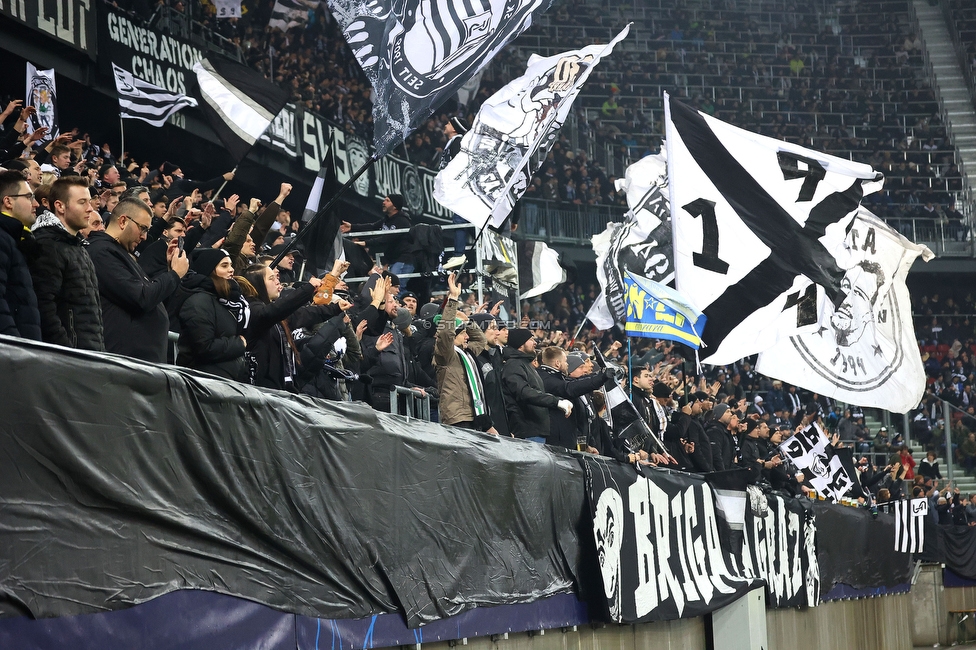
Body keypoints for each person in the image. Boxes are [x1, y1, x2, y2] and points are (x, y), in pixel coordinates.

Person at [87, 198, 189, 362]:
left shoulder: (119, 253)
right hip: (123, 362)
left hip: (136, 364)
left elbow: (153, 299)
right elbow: (142, 298)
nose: (144, 236)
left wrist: (170, 271)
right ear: (122, 221)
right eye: (142, 228)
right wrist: (175, 274)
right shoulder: (102, 252)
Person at [28, 176, 104, 350]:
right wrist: (67, 351)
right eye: (82, 202)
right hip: (69, 360)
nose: (90, 209)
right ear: (60, 206)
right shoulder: (47, 245)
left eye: (90, 202)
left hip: (88, 355)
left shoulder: (78, 246)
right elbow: (44, 307)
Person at [242, 262, 343, 391]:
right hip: (262, 390)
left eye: (277, 277)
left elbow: (305, 314)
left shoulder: (276, 314)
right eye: (271, 279)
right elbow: (273, 312)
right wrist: (308, 289)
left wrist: (336, 308)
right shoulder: (253, 311)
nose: (277, 282)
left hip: (281, 388)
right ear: (257, 285)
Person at [433, 273, 497, 433]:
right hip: (457, 417)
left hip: (474, 414)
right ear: (454, 335)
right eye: (463, 333)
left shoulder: (467, 353)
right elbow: (445, 333)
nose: (467, 336)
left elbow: (481, 340)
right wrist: (453, 300)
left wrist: (467, 321)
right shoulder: (445, 355)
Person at [176, 249, 249, 379]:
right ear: (209, 270)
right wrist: (239, 344)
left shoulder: (224, 300)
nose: (231, 269)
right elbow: (205, 347)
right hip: (203, 382)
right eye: (224, 265)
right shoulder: (198, 302)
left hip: (222, 381)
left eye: (231, 265)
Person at [501, 328, 571, 442]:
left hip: (536, 430)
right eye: (530, 339)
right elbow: (524, 393)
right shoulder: (513, 365)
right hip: (527, 431)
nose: (535, 342)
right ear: (520, 344)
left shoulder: (525, 364)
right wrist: (556, 402)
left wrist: (558, 400)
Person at [537, 346, 608, 449]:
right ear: (558, 363)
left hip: (567, 443)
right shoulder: (546, 378)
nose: (567, 364)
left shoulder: (556, 377)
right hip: (556, 445)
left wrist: (600, 376)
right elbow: (569, 388)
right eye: (565, 361)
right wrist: (600, 378)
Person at [0, 170, 41, 339]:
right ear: (8, 201)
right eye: (29, 197)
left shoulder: (15, 239)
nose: (36, 204)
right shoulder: (2, 238)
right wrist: (16, 346)